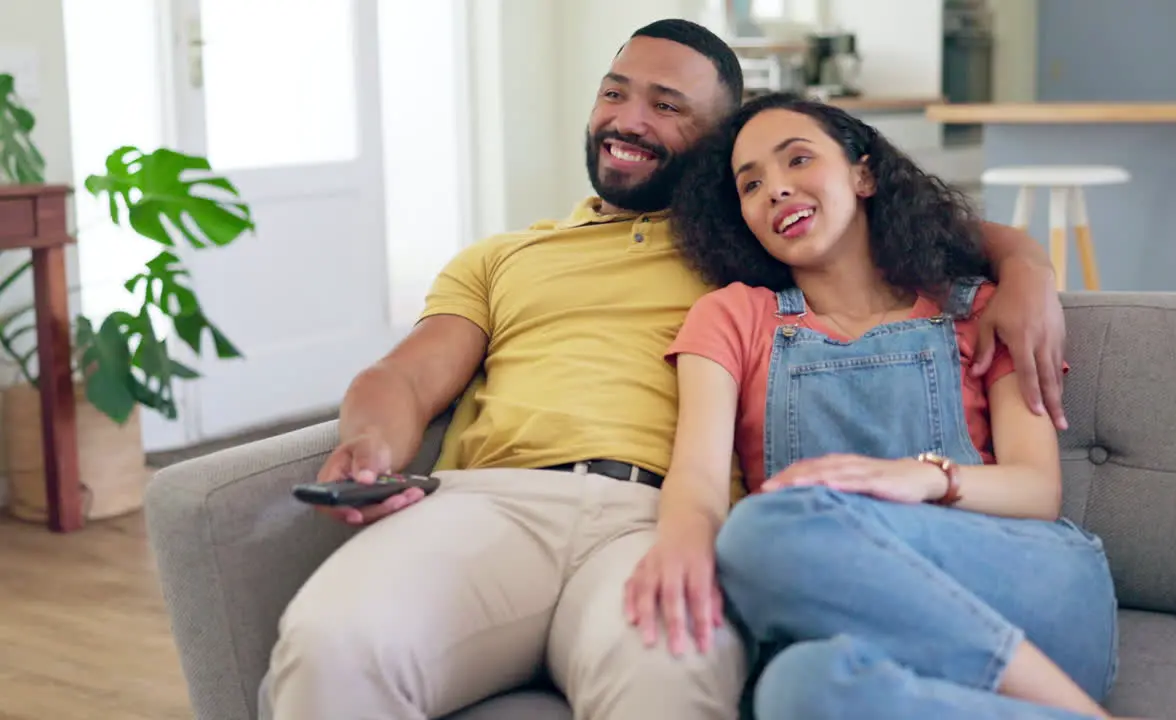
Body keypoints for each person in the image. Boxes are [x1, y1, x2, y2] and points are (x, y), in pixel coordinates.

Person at [261, 20, 1071, 720]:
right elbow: (403, 377)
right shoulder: (504, 257)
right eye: (615, 92)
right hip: (491, 506)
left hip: (658, 523)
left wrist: (1028, 270)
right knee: (334, 644)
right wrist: (370, 442)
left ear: (719, 149)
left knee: (673, 679)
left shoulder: (751, 249)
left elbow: (908, 225)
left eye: (666, 106)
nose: (628, 119)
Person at [623, 92, 1122, 720]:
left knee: (764, 528)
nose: (775, 189)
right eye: (750, 185)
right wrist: (678, 540)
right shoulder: (732, 318)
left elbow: (1036, 489)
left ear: (864, 174)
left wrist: (915, 477)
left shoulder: (977, 308)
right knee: (795, 689)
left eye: (797, 160)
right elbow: (696, 478)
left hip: (1031, 590)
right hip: (865, 631)